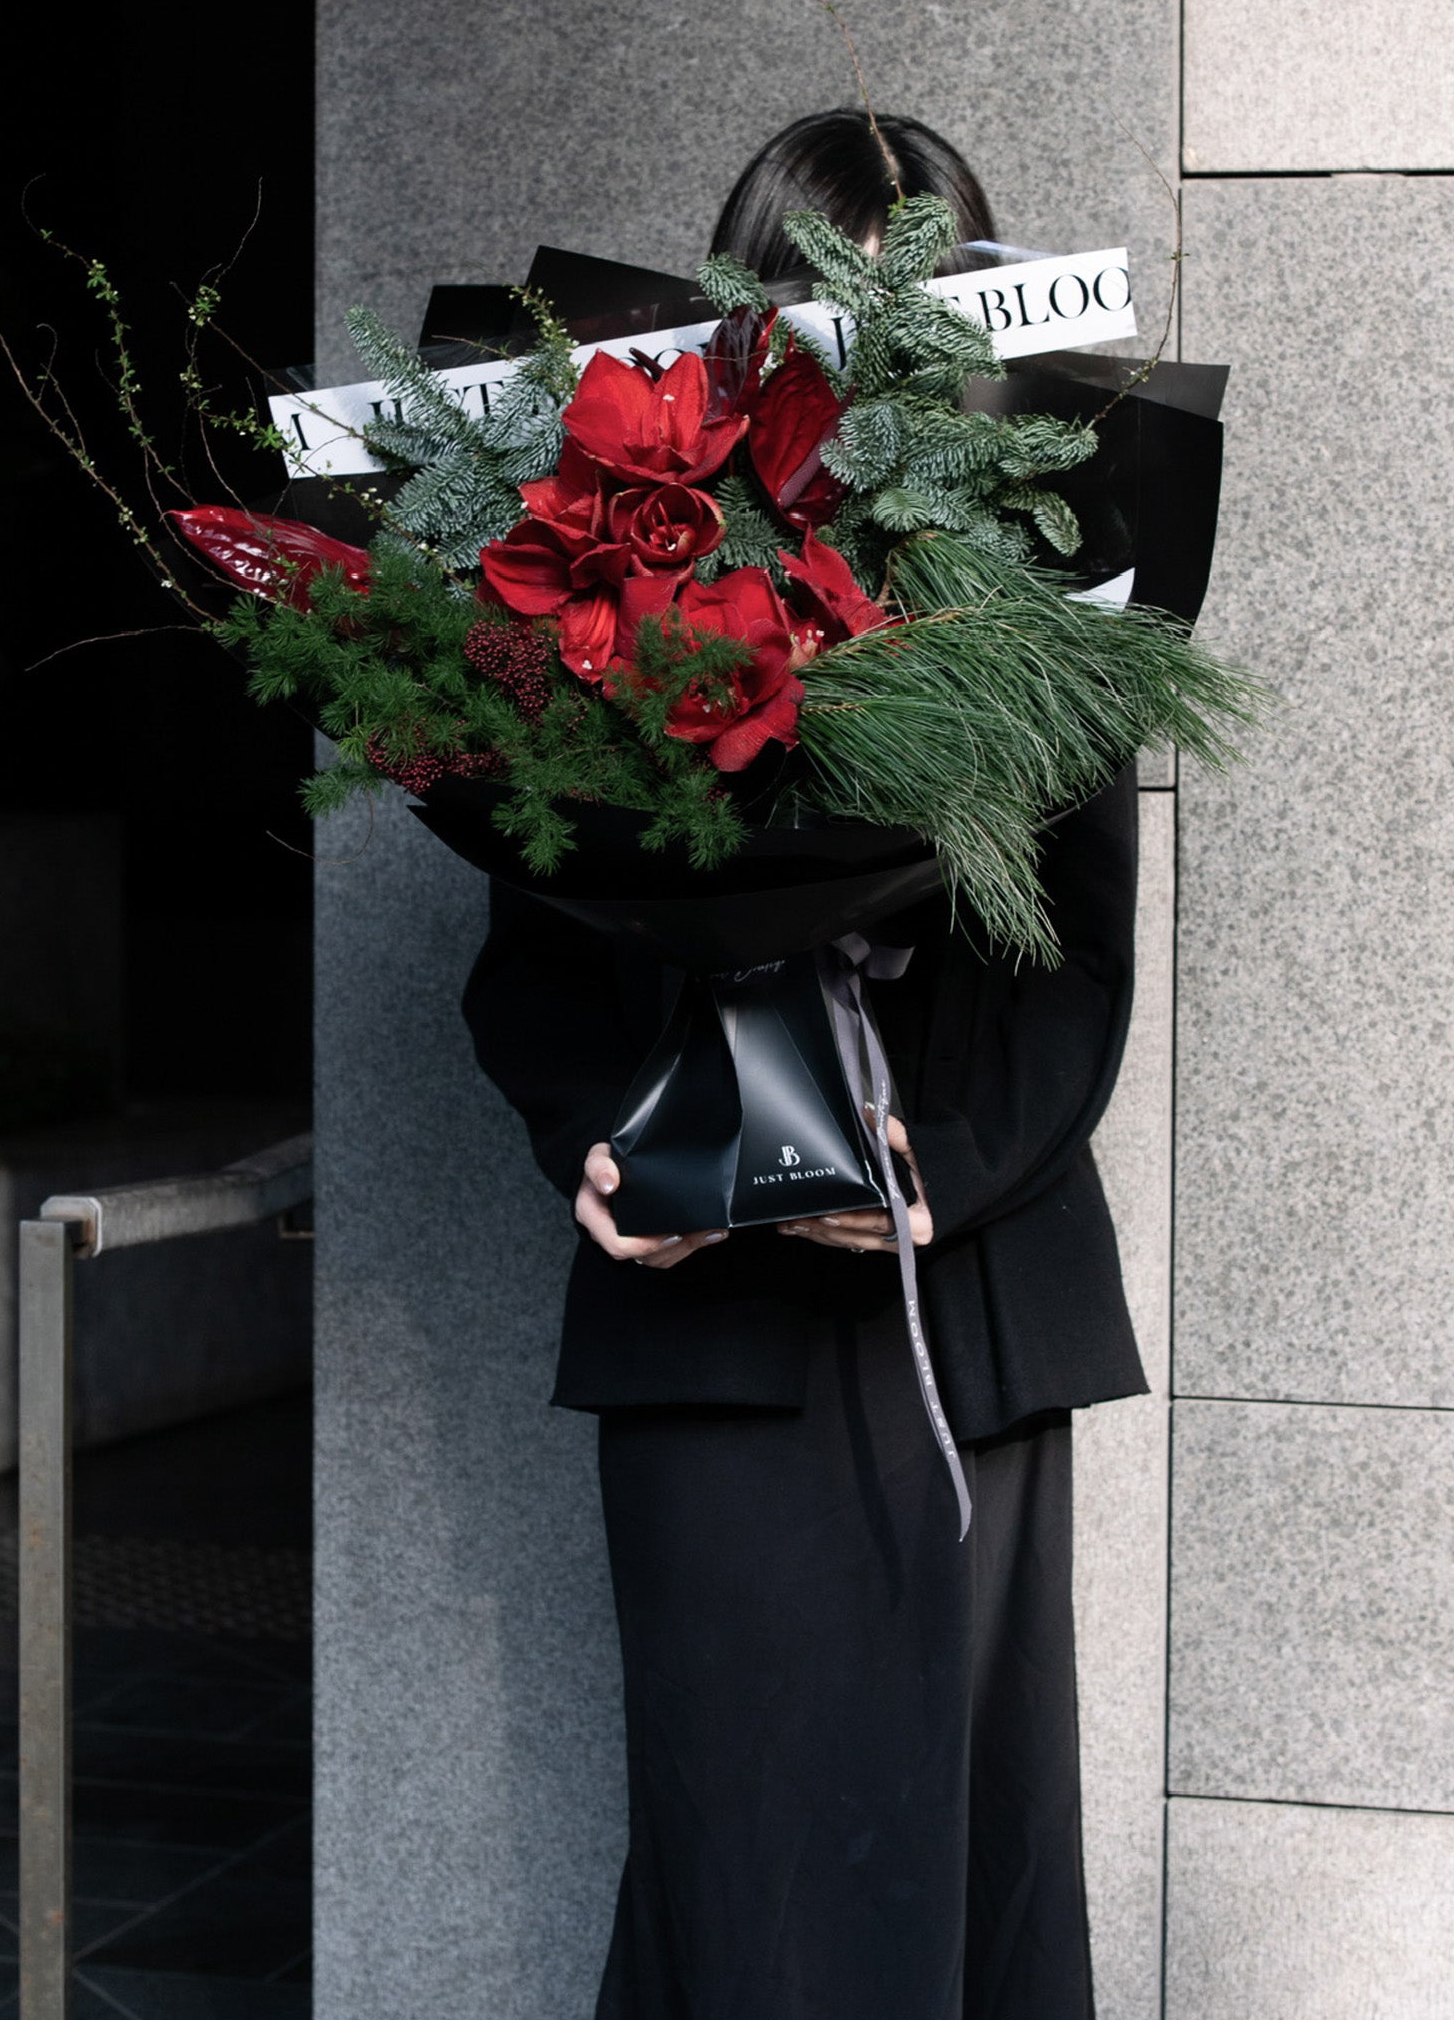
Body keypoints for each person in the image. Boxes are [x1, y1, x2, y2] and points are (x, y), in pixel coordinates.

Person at [460, 107, 1147, 2020]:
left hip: (969, 1308)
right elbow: (529, 946)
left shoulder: (1052, 562)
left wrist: (938, 1166)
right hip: (707, 1317)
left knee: (972, 1846)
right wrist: (605, 1145)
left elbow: (1076, 957)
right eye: (822, 296)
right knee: (737, 1855)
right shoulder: (602, 562)